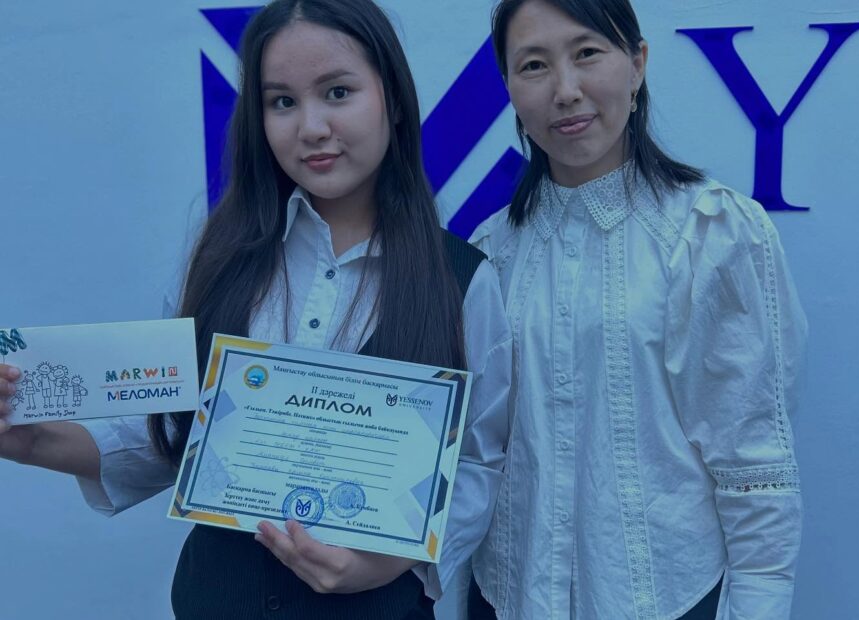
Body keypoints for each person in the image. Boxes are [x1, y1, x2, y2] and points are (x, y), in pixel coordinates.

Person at [0, 1, 511, 618]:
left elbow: (478, 461)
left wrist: (388, 562)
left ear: (393, 100)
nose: (312, 127)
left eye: (338, 92)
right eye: (282, 102)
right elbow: (168, 432)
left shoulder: (464, 280)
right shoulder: (221, 261)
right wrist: (29, 439)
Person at [466, 1, 808, 618]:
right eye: (534, 65)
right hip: (508, 595)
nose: (566, 91)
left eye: (587, 53)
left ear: (637, 63)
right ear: (509, 86)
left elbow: (753, 459)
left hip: (669, 596)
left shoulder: (710, 232)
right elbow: (476, 454)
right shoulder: (490, 252)